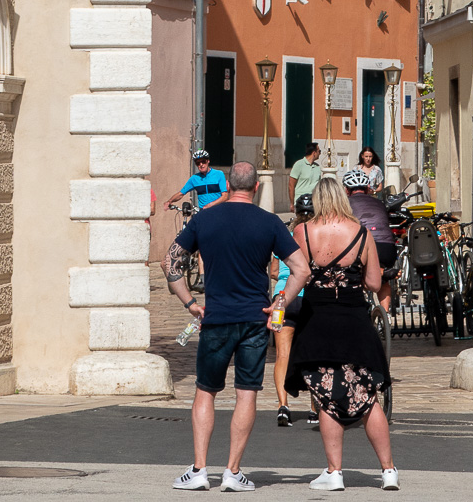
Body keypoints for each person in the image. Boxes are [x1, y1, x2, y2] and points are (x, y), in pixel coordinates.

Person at [165, 161, 310, 492]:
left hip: (215, 317)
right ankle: (233, 472)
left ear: (227, 185)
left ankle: (200, 469)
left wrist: (190, 302)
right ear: (257, 187)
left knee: (206, 390)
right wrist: (281, 301)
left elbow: (170, 261)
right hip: (253, 320)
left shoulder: (204, 220)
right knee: (246, 392)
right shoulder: (270, 223)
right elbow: (301, 268)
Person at [285, 177, 398, 492]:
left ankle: (334, 472)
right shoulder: (361, 234)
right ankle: (388, 471)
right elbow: (375, 284)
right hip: (354, 322)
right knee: (368, 398)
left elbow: (296, 274)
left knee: (325, 395)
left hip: (317, 322)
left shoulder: (303, 232)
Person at [271, 194, 315, 427]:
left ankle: (283, 406)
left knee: (282, 355)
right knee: (312, 354)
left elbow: (274, 272)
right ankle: (314, 409)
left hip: (282, 299)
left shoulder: (286, 237)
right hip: (307, 299)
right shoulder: (315, 237)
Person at [341, 168, 395, 308]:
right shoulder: (380, 204)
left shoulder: (345, 205)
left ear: (347, 190)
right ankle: (386, 316)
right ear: (367, 188)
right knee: (383, 282)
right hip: (387, 248)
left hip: (362, 248)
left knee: (355, 276)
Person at [288, 141, 322, 207]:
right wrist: (292, 203)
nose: (320, 153)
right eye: (319, 151)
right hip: (300, 202)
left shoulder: (317, 167)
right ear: (314, 153)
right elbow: (291, 185)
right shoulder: (299, 165)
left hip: (314, 202)